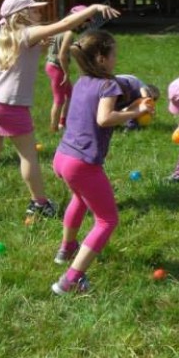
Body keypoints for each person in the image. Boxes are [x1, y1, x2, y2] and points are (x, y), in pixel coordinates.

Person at [0, 0, 119, 222]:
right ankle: (39, 203)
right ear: (22, 15)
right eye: (34, 11)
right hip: (10, 105)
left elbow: (30, 52)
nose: (39, 14)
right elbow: (63, 25)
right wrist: (93, 8)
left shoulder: (6, 35)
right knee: (28, 156)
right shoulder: (26, 34)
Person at [51, 30, 153, 295]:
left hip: (62, 157)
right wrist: (138, 111)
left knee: (79, 199)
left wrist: (138, 101)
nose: (116, 58)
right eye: (114, 53)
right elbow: (104, 119)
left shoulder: (83, 81)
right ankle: (71, 279)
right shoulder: (109, 85)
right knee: (107, 220)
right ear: (101, 58)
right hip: (82, 163)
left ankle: (67, 249)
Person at [44, 4, 89, 132]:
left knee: (70, 94)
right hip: (57, 67)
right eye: (85, 21)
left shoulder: (60, 27)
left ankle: (62, 122)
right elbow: (62, 55)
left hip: (52, 65)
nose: (85, 25)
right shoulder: (69, 33)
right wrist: (66, 73)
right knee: (59, 99)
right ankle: (53, 129)